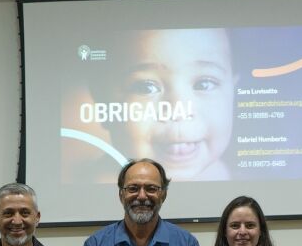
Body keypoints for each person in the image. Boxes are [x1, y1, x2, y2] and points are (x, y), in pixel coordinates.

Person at [85, 28, 237, 181]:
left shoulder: (228, 175)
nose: (179, 112)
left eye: (204, 84)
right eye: (146, 87)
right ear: (101, 101)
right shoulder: (99, 185)